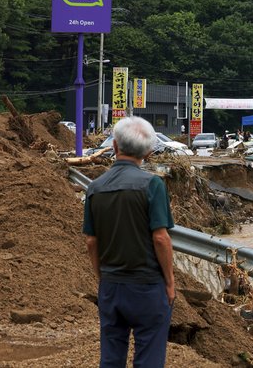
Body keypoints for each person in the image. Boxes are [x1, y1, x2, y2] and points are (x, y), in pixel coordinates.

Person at [83, 116, 175, 367]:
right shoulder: (152, 185)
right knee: (149, 357)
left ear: (114, 146)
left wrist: (102, 278)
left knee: (111, 357)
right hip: (147, 286)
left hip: (111, 286)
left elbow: (91, 241)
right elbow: (161, 237)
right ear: (147, 151)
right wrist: (169, 282)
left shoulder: (95, 187)